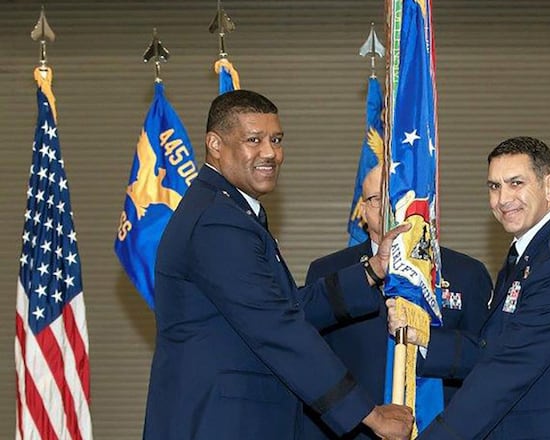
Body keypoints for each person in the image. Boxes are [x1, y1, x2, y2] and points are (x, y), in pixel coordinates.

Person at [143, 90, 413, 440]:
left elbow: (287, 307)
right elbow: (278, 326)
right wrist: (369, 414)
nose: (270, 152)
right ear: (215, 144)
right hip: (221, 424)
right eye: (254, 140)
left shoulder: (231, 211)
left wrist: (373, 269)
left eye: (276, 140)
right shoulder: (217, 221)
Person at [388, 136, 550, 439]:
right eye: (494, 186)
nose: (503, 199)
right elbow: (495, 346)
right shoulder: (529, 253)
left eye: (516, 183)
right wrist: (424, 339)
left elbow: (507, 368)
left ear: (549, 187)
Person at [302, 165, 493, 439]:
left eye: (398, 195)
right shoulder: (328, 272)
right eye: (376, 199)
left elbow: (486, 361)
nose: (389, 207)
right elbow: (312, 365)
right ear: (362, 211)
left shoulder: (467, 273)